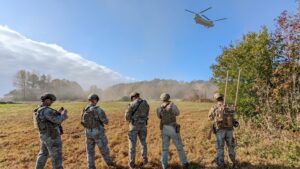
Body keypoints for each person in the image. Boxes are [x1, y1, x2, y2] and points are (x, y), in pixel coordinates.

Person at [34, 93, 68, 169]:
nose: (52, 102)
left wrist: (58, 112)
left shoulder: (38, 109)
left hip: (43, 135)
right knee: (56, 156)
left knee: (43, 154)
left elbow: (48, 119)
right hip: (52, 136)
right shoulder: (46, 110)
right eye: (51, 100)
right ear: (46, 100)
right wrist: (64, 115)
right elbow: (57, 120)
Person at [81, 94, 114, 169]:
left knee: (89, 151)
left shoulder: (85, 109)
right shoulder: (98, 109)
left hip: (87, 132)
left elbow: (82, 121)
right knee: (104, 149)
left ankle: (90, 166)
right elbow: (105, 121)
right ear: (96, 100)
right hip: (97, 132)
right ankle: (110, 164)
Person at [156, 93, 189, 169]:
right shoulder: (173, 106)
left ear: (161, 99)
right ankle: (184, 163)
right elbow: (177, 113)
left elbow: (159, 116)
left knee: (164, 148)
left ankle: (164, 164)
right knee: (179, 146)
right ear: (168, 98)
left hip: (164, 128)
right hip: (173, 128)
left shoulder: (159, 108)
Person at [208, 93, 238, 168]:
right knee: (230, 147)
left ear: (216, 99)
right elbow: (233, 118)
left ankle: (221, 164)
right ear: (222, 98)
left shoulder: (214, 107)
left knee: (220, 147)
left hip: (220, 130)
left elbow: (209, 118)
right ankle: (232, 164)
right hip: (230, 130)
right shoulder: (229, 107)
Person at [125, 92, 150, 169]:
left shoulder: (132, 104)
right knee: (143, 143)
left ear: (133, 97)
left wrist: (130, 120)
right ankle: (145, 161)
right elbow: (147, 113)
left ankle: (132, 164)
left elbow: (126, 116)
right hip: (143, 126)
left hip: (134, 126)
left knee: (132, 145)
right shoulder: (145, 103)